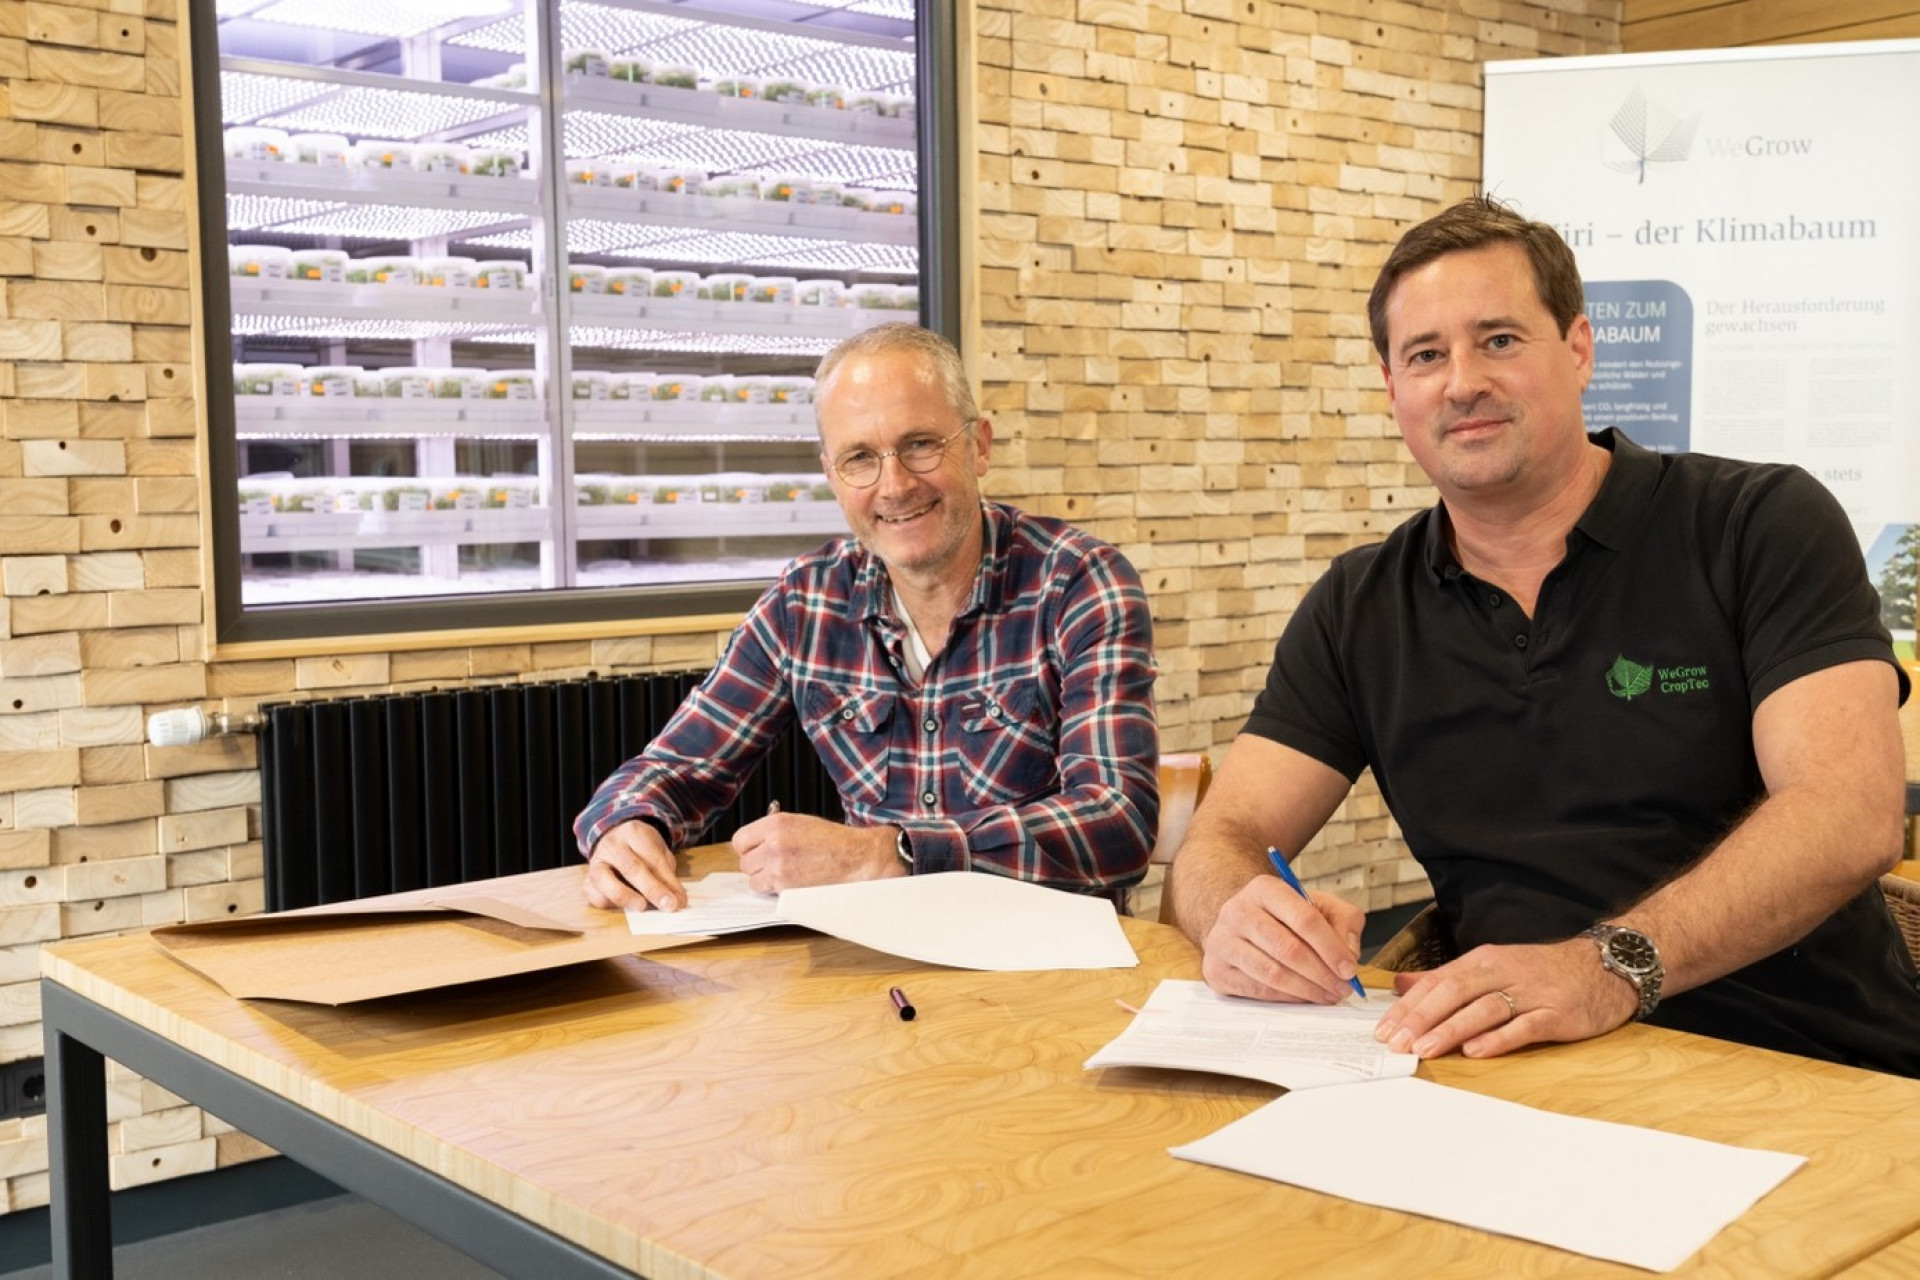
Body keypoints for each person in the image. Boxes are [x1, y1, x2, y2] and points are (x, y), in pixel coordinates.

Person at [1170, 196, 1920, 1075]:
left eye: (1499, 340)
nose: (1461, 382)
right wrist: (1240, 916)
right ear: (1391, 388)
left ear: (1579, 349)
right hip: (1519, 1079)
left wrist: (1609, 967)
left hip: (1813, 1068)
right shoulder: (1358, 606)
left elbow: (1850, 812)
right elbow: (1220, 839)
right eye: (1425, 355)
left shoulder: (1758, 525)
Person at [576, 323, 1160, 912]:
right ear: (832, 476)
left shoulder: (1081, 584)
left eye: (921, 444)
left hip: (1053, 953)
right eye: (859, 458)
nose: (895, 485)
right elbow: (674, 767)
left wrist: (891, 854)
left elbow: (1118, 822)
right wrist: (628, 825)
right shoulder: (805, 602)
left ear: (979, 446)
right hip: (871, 953)